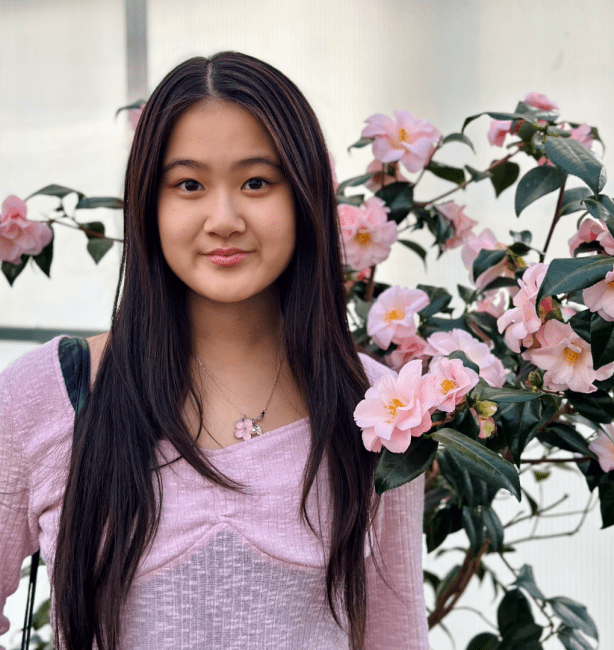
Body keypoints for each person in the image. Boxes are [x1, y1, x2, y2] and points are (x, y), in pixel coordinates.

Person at [0, 52, 429, 650]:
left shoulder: (381, 410)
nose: (223, 219)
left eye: (256, 182)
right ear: (148, 203)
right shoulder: (46, 395)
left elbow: (393, 638)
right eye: (189, 185)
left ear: (303, 196)